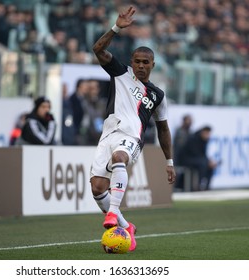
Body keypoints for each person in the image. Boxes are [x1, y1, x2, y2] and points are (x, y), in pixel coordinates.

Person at [90, 6, 176, 252]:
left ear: (153, 64)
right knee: (97, 188)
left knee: (120, 158)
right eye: (137, 61)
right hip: (108, 134)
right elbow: (98, 49)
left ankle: (113, 213)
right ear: (131, 62)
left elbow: (163, 129)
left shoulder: (158, 95)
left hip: (131, 139)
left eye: (145, 62)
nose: (140, 66)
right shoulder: (119, 73)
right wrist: (117, 28)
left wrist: (169, 161)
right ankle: (126, 226)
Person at [176, 125, 218, 191]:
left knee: (210, 166)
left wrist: (209, 161)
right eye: (207, 133)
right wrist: (207, 161)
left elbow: (203, 154)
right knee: (203, 164)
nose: (208, 136)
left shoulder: (204, 140)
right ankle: (198, 186)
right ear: (202, 132)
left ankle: (207, 186)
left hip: (195, 159)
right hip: (185, 159)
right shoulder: (193, 139)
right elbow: (195, 154)